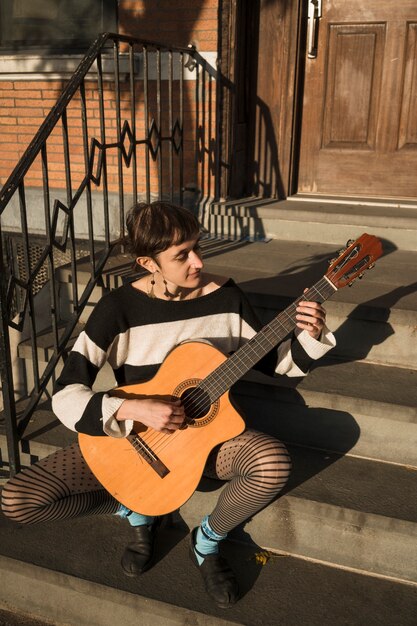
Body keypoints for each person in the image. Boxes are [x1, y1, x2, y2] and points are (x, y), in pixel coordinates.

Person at [1, 201, 335, 609]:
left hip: (206, 446)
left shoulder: (225, 296)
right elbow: (66, 393)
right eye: (181, 255)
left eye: (198, 248)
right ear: (148, 262)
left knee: (272, 462)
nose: (197, 262)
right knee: (17, 501)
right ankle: (132, 509)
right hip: (131, 443)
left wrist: (310, 333)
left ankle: (207, 540)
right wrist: (131, 409)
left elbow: (279, 366)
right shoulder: (117, 308)